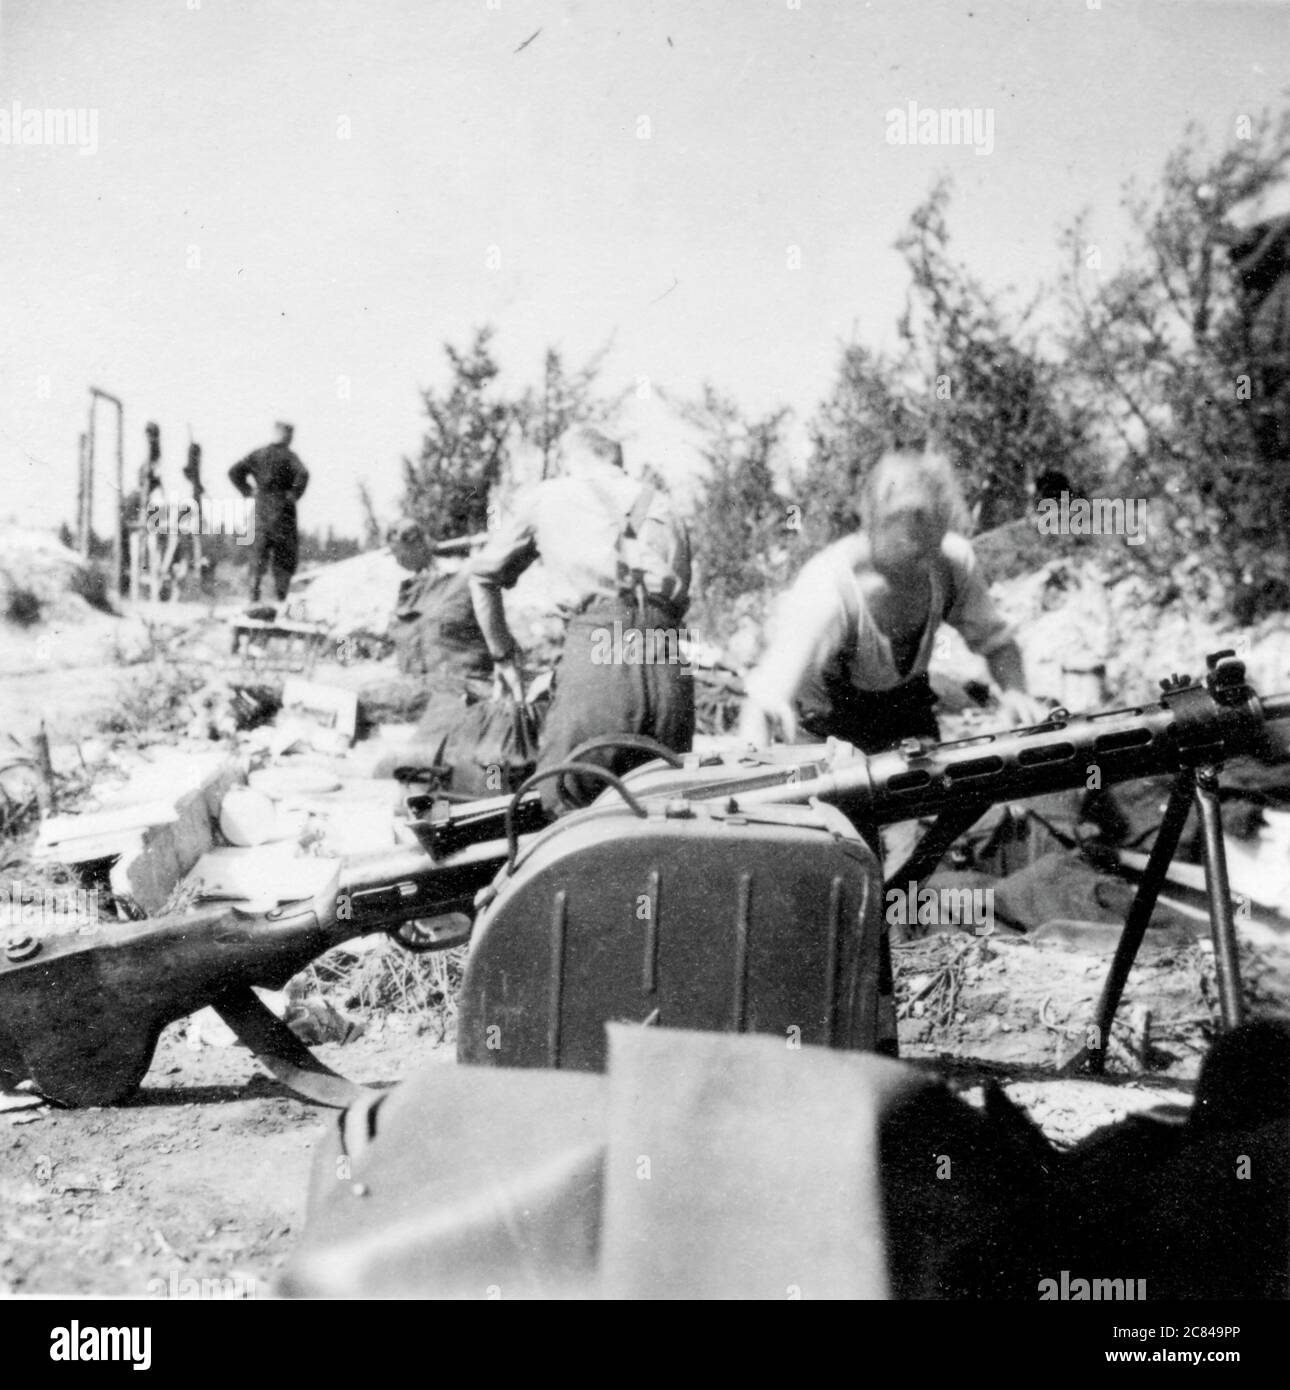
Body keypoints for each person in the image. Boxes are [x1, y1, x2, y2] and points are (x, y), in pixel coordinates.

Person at [739, 448, 1045, 753]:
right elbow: (764, 701)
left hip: (906, 711)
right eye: (909, 542)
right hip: (828, 728)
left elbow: (997, 642)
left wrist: (1016, 691)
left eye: (931, 541)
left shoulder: (952, 563)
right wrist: (754, 770)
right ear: (873, 523)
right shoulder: (828, 587)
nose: (923, 564)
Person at [469, 427, 693, 811]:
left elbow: (482, 575)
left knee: (562, 802)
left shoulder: (548, 496)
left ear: (568, 459)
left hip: (599, 653)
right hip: (670, 663)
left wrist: (503, 656)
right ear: (617, 462)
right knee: (663, 809)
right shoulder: (666, 506)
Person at [228, 421, 310, 604]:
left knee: (258, 555)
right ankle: (281, 600)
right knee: (284, 557)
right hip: (283, 512)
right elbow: (303, 474)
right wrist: (293, 494)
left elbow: (234, 471)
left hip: (261, 510)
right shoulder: (289, 457)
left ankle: (253, 598)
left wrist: (248, 491)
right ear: (287, 436)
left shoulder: (258, 454)